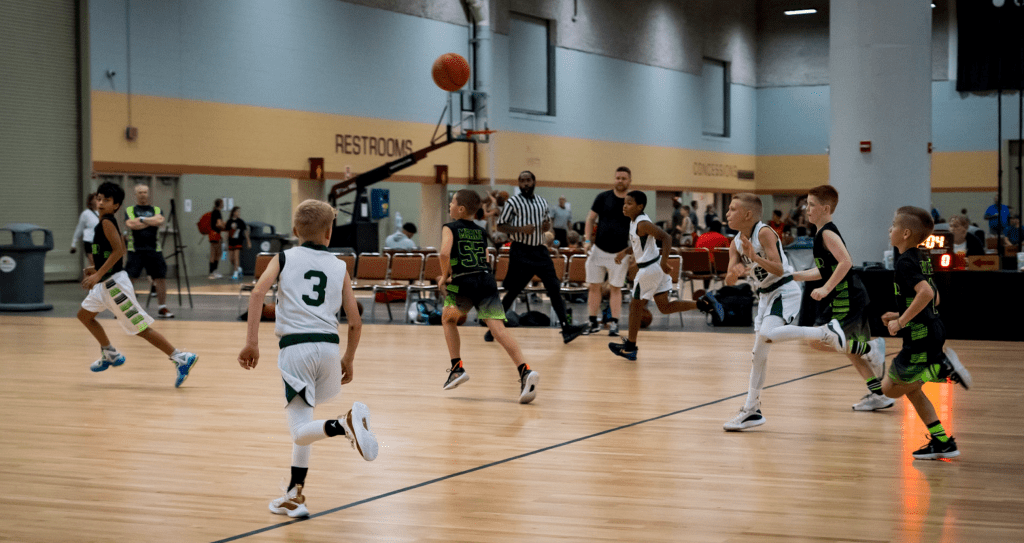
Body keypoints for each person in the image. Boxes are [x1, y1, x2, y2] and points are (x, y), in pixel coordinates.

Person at [237, 199, 378, 518]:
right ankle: (294, 494)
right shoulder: (340, 266)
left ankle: (344, 424)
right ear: (329, 233)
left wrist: (252, 343)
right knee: (305, 422)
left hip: (296, 348)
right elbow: (355, 321)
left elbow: (257, 294)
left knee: (300, 429)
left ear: (295, 230)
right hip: (329, 348)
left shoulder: (284, 257)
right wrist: (349, 358)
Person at [761, 185, 891, 411]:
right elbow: (825, 270)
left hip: (847, 296)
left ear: (825, 208)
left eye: (811, 205)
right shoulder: (821, 233)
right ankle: (878, 394)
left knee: (818, 341)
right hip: (847, 295)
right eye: (807, 204)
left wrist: (826, 289)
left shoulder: (827, 233)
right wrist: (794, 276)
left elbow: (846, 262)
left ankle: (871, 348)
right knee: (849, 350)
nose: (806, 209)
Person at [77, 182, 198, 386]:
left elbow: (119, 251)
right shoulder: (103, 223)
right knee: (84, 316)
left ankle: (181, 357)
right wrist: (96, 269)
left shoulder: (107, 222)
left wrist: (98, 275)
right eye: (99, 198)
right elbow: (121, 247)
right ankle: (110, 353)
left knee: (141, 328)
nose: (101, 202)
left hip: (114, 286)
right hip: (104, 284)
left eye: (106, 200)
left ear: (116, 205)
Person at [881, 206, 972, 459]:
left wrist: (901, 322)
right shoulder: (921, 257)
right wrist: (900, 314)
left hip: (920, 336)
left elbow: (927, 293)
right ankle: (942, 442)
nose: (890, 229)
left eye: (894, 225)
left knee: (889, 389)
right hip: (933, 328)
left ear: (905, 233)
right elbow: (936, 299)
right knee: (912, 390)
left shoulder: (904, 263)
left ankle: (942, 368)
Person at [438, 189, 539, 403]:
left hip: (463, 281)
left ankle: (456, 368)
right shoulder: (481, 230)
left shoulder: (449, 227)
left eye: (452, 202)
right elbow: (485, 256)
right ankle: (525, 370)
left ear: (461, 209)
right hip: (486, 280)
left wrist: (445, 276)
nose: (450, 205)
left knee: (448, 319)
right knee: (498, 330)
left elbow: (444, 253)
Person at [607, 191, 724, 360]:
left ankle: (631, 347)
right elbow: (639, 244)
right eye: (624, 203)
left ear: (640, 207)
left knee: (635, 306)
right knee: (665, 307)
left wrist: (664, 262)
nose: (625, 206)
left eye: (629, 203)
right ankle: (704, 304)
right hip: (654, 269)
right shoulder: (635, 222)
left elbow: (666, 237)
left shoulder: (643, 223)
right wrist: (624, 252)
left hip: (649, 269)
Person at [721, 193, 803, 431]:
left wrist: (754, 257)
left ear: (748, 215)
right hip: (765, 297)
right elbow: (728, 281)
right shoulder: (735, 243)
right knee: (759, 355)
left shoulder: (764, 233)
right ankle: (752, 410)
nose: (727, 213)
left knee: (767, 336)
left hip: (784, 291)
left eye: (733, 209)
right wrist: (733, 273)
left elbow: (778, 269)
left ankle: (824, 331)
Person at [486, 171, 586, 344]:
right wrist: (520, 229)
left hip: (540, 251)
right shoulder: (513, 202)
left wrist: (547, 226)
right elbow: (501, 226)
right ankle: (492, 329)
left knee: (554, 287)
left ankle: (566, 329)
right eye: (522, 181)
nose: (525, 183)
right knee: (514, 291)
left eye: (528, 180)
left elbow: (547, 224)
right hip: (521, 251)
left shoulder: (542, 202)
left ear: (534, 182)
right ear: (519, 184)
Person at [583, 167, 633, 336]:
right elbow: (590, 219)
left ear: (629, 181)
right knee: (594, 287)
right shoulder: (602, 197)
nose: (620, 181)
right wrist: (587, 240)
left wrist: (633, 251)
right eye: (618, 177)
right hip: (598, 250)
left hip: (620, 253)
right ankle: (592, 323)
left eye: (624, 178)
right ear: (614, 179)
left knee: (615, 288)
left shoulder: (633, 202)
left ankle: (614, 324)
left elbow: (637, 228)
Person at [124, 184, 173, 318]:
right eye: (140, 192)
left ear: (148, 194)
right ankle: (126, 309)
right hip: (136, 250)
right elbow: (131, 224)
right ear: (136, 194)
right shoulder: (130, 210)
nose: (143, 195)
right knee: (130, 278)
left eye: (145, 192)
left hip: (154, 249)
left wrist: (141, 219)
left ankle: (162, 308)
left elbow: (159, 221)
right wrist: (150, 222)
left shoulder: (156, 209)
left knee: (160, 278)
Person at [71, 192, 99, 267]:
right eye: (95, 199)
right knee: (94, 263)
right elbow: (79, 228)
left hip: (101, 242)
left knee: (99, 264)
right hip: (90, 241)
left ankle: (90, 273)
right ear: (91, 201)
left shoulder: (103, 212)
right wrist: (74, 243)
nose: (97, 200)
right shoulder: (86, 214)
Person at [225, 206, 252, 280]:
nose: (239, 213)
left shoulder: (241, 221)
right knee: (231, 259)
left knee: (236, 257)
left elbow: (246, 232)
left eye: (239, 212)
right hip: (231, 242)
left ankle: (235, 273)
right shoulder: (229, 221)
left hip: (238, 241)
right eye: (237, 211)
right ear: (234, 212)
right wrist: (225, 242)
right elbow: (227, 233)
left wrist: (248, 241)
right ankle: (239, 268)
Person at [208, 199, 226, 279]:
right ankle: (213, 271)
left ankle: (212, 271)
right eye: (222, 203)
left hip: (212, 234)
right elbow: (218, 224)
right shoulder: (217, 212)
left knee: (214, 253)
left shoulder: (214, 211)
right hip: (215, 234)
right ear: (220, 204)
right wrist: (224, 227)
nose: (223, 204)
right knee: (217, 253)